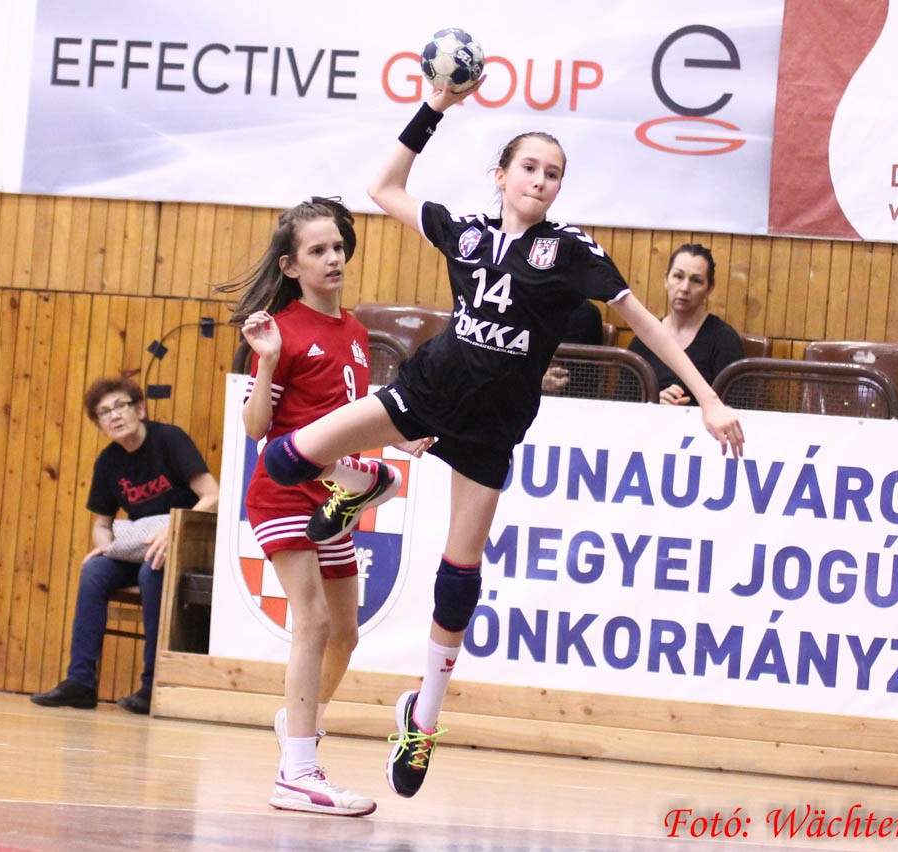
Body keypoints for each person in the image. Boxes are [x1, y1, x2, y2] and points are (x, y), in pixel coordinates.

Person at [256, 83, 745, 799]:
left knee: (460, 577)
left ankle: (422, 714)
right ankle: (360, 483)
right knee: (283, 458)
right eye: (530, 168)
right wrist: (435, 105)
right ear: (502, 175)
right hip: (428, 392)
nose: (541, 181)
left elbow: (643, 321)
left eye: (554, 174)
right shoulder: (467, 233)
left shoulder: (570, 250)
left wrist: (709, 398)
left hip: (492, 425)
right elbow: (382, 187)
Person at [217, 197, 422, 817]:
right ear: (291, 265)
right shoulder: (280, 332)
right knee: (311, 622)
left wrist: (401, 436)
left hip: (332, 495)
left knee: (344, 634)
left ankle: (298, 723)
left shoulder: (355, 332)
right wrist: (267, 361)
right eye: (317, 250)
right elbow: (257, 427)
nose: (333, 258)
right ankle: (298, 772)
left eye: (337, 247)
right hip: (282, 491)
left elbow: (348, 417)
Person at [30, 377, 218, 715]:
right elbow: (102, 524)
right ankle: (81, 682)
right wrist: (105, 547)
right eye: (104, 413)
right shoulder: (108, 462)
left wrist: (173, 530)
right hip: (138, 548)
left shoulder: (169, 439)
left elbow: (213, 496)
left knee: (151, 571)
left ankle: (151, 685)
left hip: (182, 547)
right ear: (99, 426)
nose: (114, 415)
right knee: (94, 571)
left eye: (120, 406)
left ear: (140, 409)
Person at [627, 244, 743, 406]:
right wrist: (653, 402)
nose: (684, 288)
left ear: (709, 288)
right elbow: (621, 400)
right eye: (678, 276)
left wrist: (690, 409)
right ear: (666, 279)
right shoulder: (645, 336)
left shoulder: (724, 339)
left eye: (696, 281)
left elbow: (737, 405)